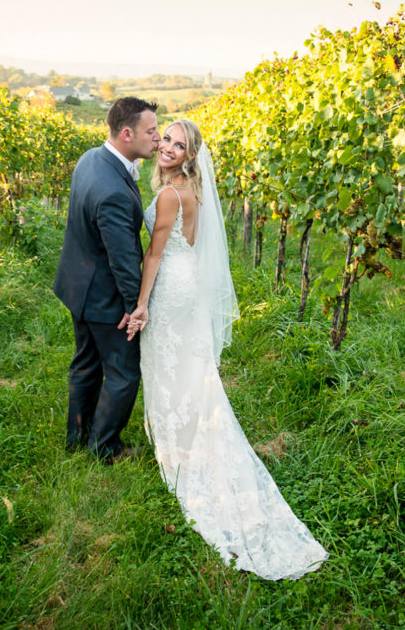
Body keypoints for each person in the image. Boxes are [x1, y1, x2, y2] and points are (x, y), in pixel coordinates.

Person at [127, 119, 328, 580]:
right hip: (190, 287)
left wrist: (140, 307)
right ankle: (185, 439)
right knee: (190, 370)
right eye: (167, 141)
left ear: (190, 155)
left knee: (170, 365)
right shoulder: (191, 194)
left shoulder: (166, 196)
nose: (168, 149)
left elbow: (154, 255)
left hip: (171, 290)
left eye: (179, 145)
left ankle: (179, 453)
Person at [53, 97, 160, 462]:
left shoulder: (90, 158)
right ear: (127, 133)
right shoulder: (114, 192)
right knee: (123, 372)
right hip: (103, 297)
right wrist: (135, 309)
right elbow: (124, 260)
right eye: (151, 130)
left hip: (77, 285)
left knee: (85, 361)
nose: (158, 138)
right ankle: (105, 447)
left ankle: (77, 436)